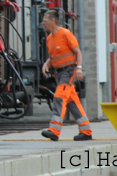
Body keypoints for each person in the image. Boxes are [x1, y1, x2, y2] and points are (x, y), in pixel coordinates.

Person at [40, 9, 92, 141]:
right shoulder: (50, 38)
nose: (42, 23)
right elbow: (53, 57)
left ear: (52, 21)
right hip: (58, 73)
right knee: (72, 102)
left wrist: (79, 69)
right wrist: (46, 64)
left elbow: (78, 52)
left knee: (59, 97)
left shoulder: (65, 34)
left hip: (69, 71)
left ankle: (54, 130)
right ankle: (86, 131)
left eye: (44, 20)